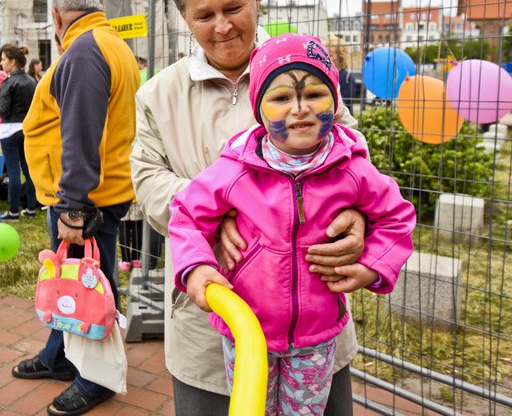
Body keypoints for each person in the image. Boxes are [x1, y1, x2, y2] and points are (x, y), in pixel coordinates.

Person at [130, 0, 369, 416]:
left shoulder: (303, 69)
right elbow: (147, 179)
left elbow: (352, 151)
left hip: (311, 317)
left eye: (234, 8)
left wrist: (356, 214)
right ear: (185, 19)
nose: (222, 26)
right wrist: (218, 213)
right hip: (211, 312)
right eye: (204, 15)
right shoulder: (159, 94)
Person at [169, 34, 416, 414]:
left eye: (315, 94)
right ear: (259, 109)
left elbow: (396, 216)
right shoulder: (235, 169)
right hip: (247, 331)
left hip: (317, 335)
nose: (299, 109)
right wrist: (198, 266)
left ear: (334, 99)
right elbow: (186, 215)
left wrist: (372, 266)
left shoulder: (352, 168)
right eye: (281, 98)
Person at [15, 0, 140, 416]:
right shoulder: (109, 43)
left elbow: (80, 133)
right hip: (95, 191)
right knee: (74, 280)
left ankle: (97, 378)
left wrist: (72, 204)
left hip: (86, 199)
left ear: (56, 15)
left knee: (92, 283)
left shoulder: (86, 50)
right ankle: (61, 355)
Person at [0, 44, 37, 221]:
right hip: (26, 128)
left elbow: (4, 110)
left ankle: (13, 211)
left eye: (3, 60)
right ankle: (31, 207)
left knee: (13, 171)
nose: (0, 63)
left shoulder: (8, 82)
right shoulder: (31, 81)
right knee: (28, 170)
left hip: (10, 130)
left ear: (13, 62)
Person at [326, 36, 358, 116]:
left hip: (341, 121)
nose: (326, 58)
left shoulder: (347, 77)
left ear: (340, 58)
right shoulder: (325, 75)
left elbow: (345, 104)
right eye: (325, 54)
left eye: (330, 55)